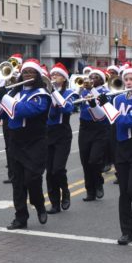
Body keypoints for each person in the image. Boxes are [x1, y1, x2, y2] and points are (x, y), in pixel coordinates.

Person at [0, 59, 51, 229]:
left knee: (32, 179)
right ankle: (20, 217)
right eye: (26, 72)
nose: (28, 75)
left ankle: (39, 205)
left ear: (38, 75)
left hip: (35, 141)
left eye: (32, 72)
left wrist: (5, 98)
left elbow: (25, 110)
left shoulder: (42, 94)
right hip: (16, 141)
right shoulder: (14, 93)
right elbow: (1, 114)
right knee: (17, 182)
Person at [98, 64, 132, 244]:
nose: (128, 83)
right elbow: (107, 119)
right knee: (124, 193)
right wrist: (96, 105)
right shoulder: (118, 99)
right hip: (121, 149)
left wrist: (106, 105)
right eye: (126, 80)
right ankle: (126, 232)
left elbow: (127, 121)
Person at [45, 63, 78, 213]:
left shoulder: (69, 93)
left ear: (64, 79)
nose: (53, 77)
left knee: (58, 168)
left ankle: (65, 191)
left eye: (57, 75)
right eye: (52, 75)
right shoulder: (44, 92)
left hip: (62, 133)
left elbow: (67, 109)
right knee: (49, 171)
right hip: (46, 133)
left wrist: (54, 93)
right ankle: (54, 203)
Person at [77, 68, 110, 202]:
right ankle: (90, 190)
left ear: (102, 80)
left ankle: (98, 183)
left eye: (96, 77)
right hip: (85, 127)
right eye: (91, 76)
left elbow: (102, 109)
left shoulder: (105, 92)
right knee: (85, 161)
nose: (92, 79)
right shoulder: (83, 91)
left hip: (100, 128)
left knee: (94, 159)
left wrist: (92, 90)